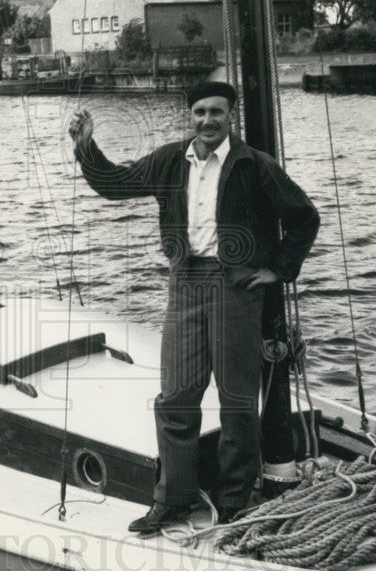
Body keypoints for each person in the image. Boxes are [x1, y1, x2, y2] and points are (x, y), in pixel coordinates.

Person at [68, 81, 319, 532]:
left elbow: (304, 217)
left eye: (217, 112)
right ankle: (175, 498)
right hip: (184, 284)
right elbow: (115, 185)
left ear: (231, 117)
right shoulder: (169, 160)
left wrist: (279, 270)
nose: (207, 120)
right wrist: (86, 147)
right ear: (191, 116)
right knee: (176, 398)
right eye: (200, 112)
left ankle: (236, 499)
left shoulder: (255, 165)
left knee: (238, 399)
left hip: (235, 288)